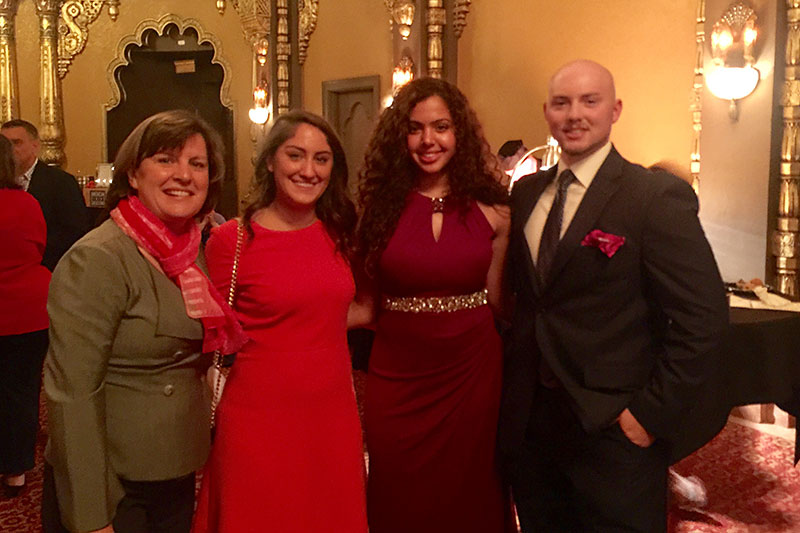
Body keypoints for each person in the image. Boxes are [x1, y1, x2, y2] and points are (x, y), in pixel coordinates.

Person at [500, 59, 729, 532]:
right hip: (534, 430)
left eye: (590, 101)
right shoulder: (525, 194)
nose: (574, 114)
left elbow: (703, 319)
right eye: (562, 103)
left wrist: (647, 415)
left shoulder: (653, 197)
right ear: (546, 111)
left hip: (614, 431)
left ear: (615, 110)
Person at [42, 110, 245, 533]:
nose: (184, 175)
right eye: (166, 160)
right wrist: (91, 517)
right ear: (133, 174)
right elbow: (71, 394)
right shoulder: (98, 258)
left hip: (172, 470)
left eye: (197, 164)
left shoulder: (191, 253)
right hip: (112, 482)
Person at [192, 110, 368, 533]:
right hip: (257, 415)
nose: (308, 170)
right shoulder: (229, 241)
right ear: (270, 161)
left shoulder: (342, 232)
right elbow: (211, 327)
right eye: (296, 155)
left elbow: (364, 307)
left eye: (321, 159)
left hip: (331, 412)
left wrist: (313, 327)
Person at [357, 77, 512, 533]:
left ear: (458, 133)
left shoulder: (495, 210)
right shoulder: (376, 209)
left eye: (441, 127)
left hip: (472, 374)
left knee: (469, 492)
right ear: (399, 137)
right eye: (415, 128)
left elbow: (502, 303)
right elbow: (364, 303)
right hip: (397, 377)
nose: (429, 140)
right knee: (397, 489)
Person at [0, 135, 51, 498]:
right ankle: (15, 469)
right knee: (22, 390)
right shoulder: (27, 203)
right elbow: (39, 247)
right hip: (29, 309)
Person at [1, 119, 90, 271]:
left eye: (17, 142)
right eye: (6, 144)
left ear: (35, 146)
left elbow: (75, 230)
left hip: (49, 268)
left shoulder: (60, 182)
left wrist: (33, 251)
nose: (11, 149)